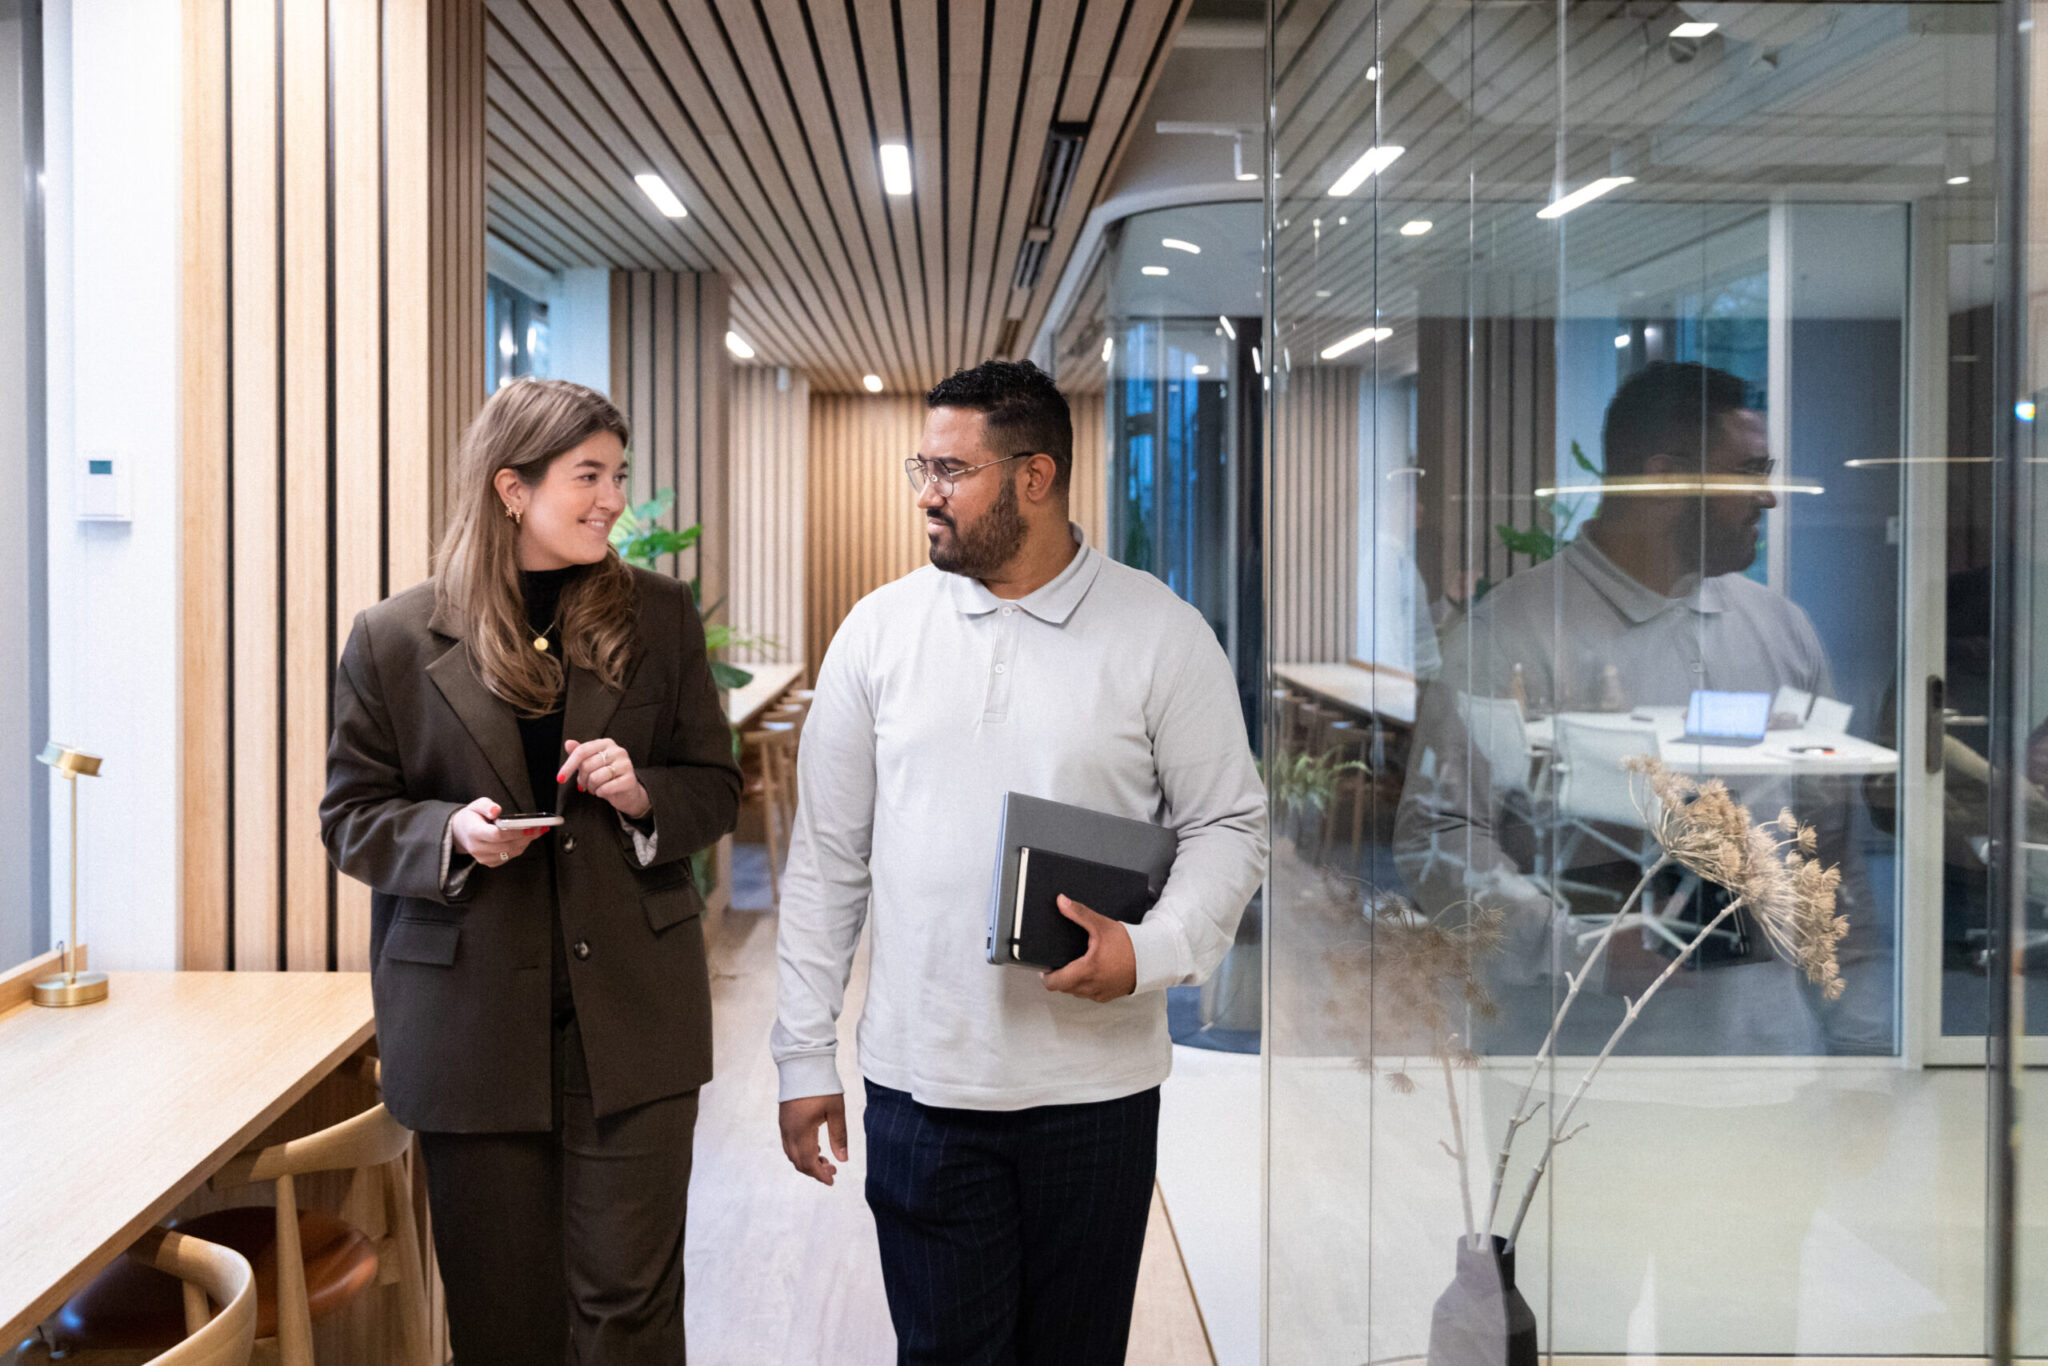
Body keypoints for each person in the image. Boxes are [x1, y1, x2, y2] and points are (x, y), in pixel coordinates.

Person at [770, 359, 1267, 1364]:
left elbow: (1229, 826)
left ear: (1035, 476)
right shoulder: (877, 632)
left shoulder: (1163, 635)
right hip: (920, 1086)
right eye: (922, 466)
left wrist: (1151, 950)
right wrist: (802, 1052)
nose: (925, 492)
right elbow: (827, 858)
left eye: (951, 471)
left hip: (1096, 1094)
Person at [320, 378, 740, 1364]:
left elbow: (715, 789)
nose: (613, 500)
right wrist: (449, 834)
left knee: (630, 1312)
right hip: (468, 1032)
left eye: (617, 476)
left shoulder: (660, 616)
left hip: (634, 1020)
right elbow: (351, 817)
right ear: (512, 488)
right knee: (504, 1318)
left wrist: (643, 794)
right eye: (588, 476)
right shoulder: (392, 637)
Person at [1394, 360, 1886, 1054]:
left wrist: (1862, 1033)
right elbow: (1438, 834)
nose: (1769, 497)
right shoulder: (1509, 634)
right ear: (1662, 480)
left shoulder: (1783, 631)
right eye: (1748, 472)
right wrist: (1576, 949)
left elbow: (1830, 845)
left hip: (1772, 1058)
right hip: (1585, 1064)